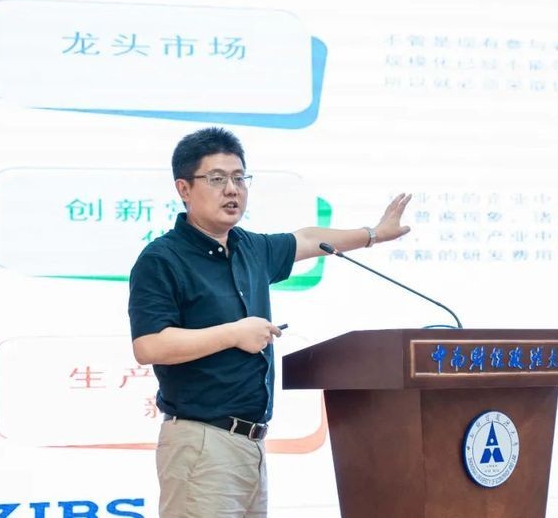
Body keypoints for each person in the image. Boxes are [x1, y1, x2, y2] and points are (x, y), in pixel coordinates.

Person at [128, 126, 411, 518]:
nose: (232, 190)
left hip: (251, 445)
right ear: (184, 188)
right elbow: (149, 345)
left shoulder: (250, 248)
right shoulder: (162, 259)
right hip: (201, 443)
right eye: (217, 179)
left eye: (239, 178)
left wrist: (374, 234)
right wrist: (234, 334)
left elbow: (308, 239)